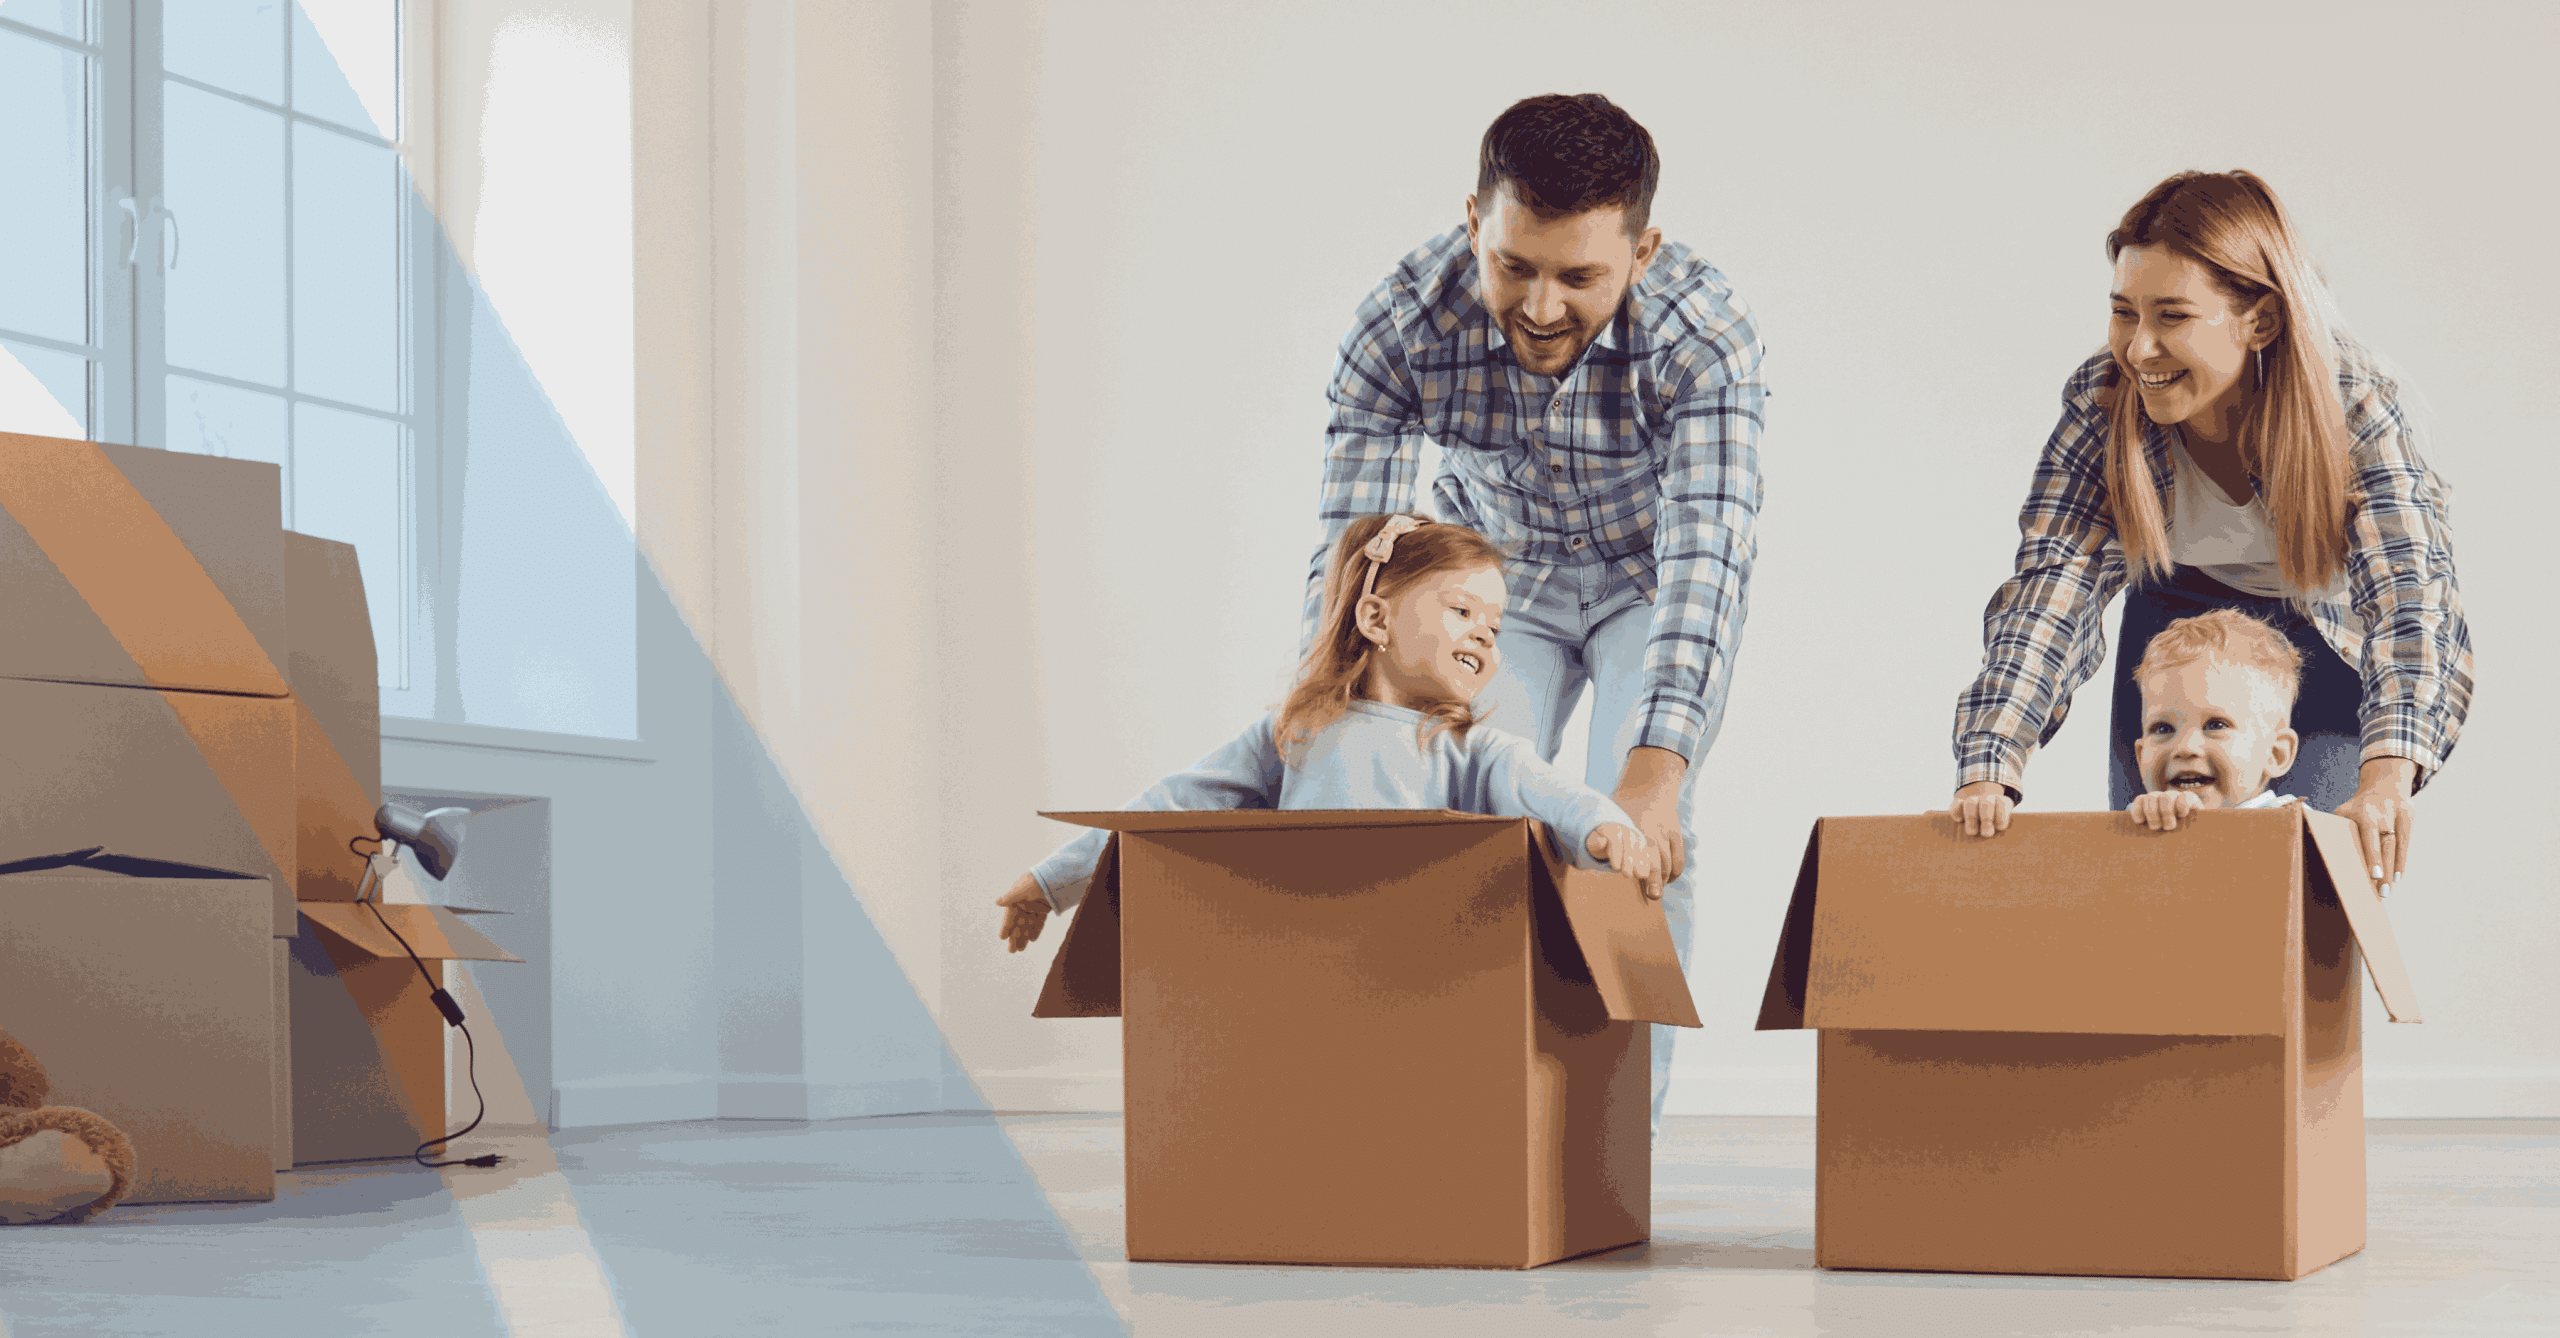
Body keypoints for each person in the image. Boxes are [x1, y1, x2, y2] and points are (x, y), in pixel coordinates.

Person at [1311, 93, 1765, 1138]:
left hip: (1650, 583)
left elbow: (1709, 554)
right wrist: (1333, 715)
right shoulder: (1401, 325)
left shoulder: (1705, 336)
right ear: (1475, 220)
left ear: (1641, 251)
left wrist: (1653, 776)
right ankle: (1463, 1124)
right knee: (1469, 811)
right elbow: (1358, 544)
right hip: (1499, 576)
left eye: (1580, 276)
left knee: (1632, 831)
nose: (1542, 308)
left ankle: (1611, 1148)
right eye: (1514, 266)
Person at [1950, 170, 2473, 890]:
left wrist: (2385, 776)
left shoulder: (2354, 406)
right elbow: (2053, 589)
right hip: (2181, 616)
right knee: (2161, 883)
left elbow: (2410, 598)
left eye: (2172, 316)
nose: (2139, 350)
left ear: (2257, 319)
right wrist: (1990, 768)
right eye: (2124, 312)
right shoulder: (2104, 403)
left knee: (2295, 887)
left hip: (2326, 640)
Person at [996, 513, 1661, 948]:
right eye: (1462, 610)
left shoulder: (1469, 749)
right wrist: (1055, 881)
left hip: (1420, 963)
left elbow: (1555, 798)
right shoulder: (1295, 733)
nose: (1484, 636)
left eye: (1493, 626)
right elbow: (1174, 804)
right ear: (1374, 618)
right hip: (1298, 948)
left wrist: (1609, 833)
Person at [2123, 609, 2307, 831]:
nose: (2185, 747)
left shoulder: (2298, 821)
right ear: (2141, 755)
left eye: (2216, 725)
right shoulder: (2138, 821)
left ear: (2275, 754)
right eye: (2163, 728)